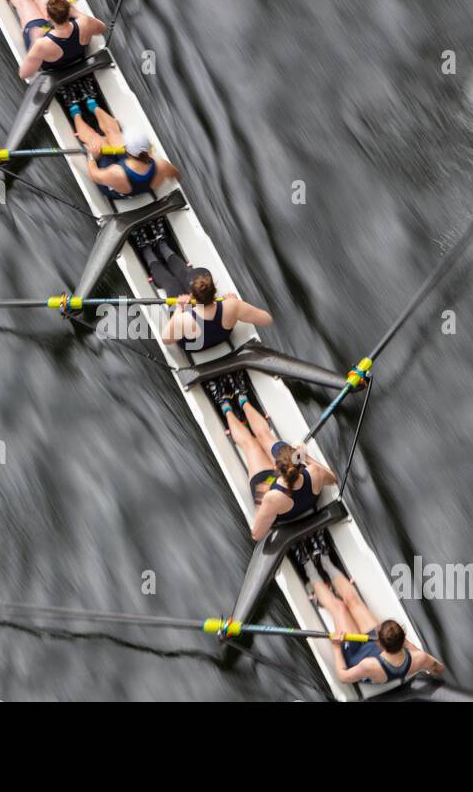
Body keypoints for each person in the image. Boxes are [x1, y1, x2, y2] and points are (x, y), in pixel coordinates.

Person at [296, 534, 446, 685]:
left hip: (358, 659)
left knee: (339, 608)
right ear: (402, 640)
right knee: (353, 601)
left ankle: (308, 566)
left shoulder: (369, 666)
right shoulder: (421, 658)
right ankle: (324, 559)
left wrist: (336, 646)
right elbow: (439, 669)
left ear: (379, 641)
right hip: (387, 653)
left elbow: (343, 677)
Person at [203, 374, 334, 540]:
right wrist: (306, 457)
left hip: (279, 501)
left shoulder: (272, 497)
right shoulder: (315, 472)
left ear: (275, 467)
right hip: (300, 492)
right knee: (266, 436)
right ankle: (242, 397)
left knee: (251, 445)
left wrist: (261, 504)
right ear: (297, 462)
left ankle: (226, 407)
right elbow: (333, 478)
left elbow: (256, 534)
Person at [60, 77, 180, 199]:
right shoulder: (162, 165)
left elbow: (94, 176)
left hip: (116, 186)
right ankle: (92, 104)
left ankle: (74, 111)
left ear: (127, 150)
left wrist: (91, 157)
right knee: (115, 135)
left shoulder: (115, 172)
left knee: (96, 142)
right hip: (132, 171)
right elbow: (177, 175)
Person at [159, 267, 273, 353]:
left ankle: (154, 250)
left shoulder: (183, 319)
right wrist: (236, 303)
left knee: (172, 283)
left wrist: (179, 308)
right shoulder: (232, 305)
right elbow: (267, 319)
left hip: (192, 346)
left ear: (192, 295)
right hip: (220, 337)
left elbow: (166, 340)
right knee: (192, 272)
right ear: (214, 290)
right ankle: (165, 249)